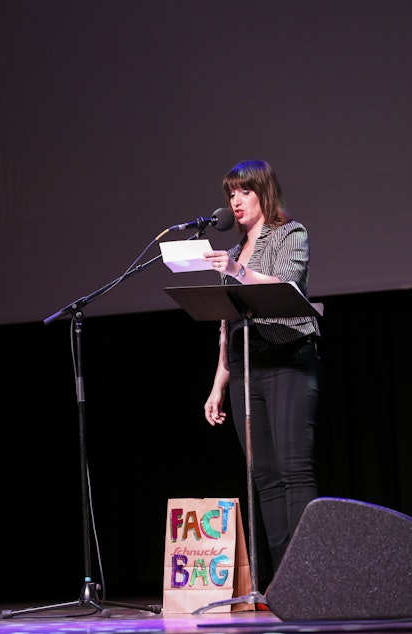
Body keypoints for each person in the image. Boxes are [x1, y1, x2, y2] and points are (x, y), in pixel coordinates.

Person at [201, 159, 321, 584]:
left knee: (293, 469)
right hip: (247, 367)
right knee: (265, 477)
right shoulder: (231, 253)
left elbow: (287, 283)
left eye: (244, 191)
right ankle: (285, 580)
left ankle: (310, 576)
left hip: (287, 357)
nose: (234, 200)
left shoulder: (291, 234)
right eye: (230, 193)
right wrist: (218, 384)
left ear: (264, 194)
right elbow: (226, 325)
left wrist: (238, 272)